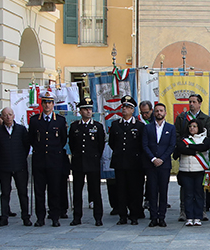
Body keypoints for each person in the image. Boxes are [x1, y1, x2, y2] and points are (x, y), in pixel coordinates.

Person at [29, 95, 68, 227]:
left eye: (50, 103)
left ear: (53, 105)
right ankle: (40, 217)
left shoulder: (60, 121)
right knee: (39, 191)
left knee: (55, 190)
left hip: (54, 160)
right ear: (42, 104)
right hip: (39, 160)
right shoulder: (34, 120)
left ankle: (55, 216)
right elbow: (32, 139)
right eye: (45, 102)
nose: (47, 105)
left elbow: (62, 140)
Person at [68, 98, 106, 226]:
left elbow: (100, 145)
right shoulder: (74, 126)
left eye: (90, 109)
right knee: (77, 191)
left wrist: (95, 157)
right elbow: (72, 144)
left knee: (95, 191)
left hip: (93, 162)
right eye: (85, 109)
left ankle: (98, 217)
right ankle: (77, 217)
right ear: (80, 111)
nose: (88, 111)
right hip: (78, 162)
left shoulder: (97, 126)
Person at [175, 93, 210, 222]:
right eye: (190, 101)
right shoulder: (182, 117)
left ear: (200, 103)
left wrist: (195, 148)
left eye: (194, 102)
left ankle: (201, 210)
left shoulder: (205, 118)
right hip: (186, 159)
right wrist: (185, 147)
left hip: (200, 160)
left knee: (200, 188)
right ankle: (184, 211)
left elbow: (208, 138)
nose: (191, 104)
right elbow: (178, 135)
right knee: (186, 188)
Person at [0, 107, 32, 226]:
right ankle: (4, 217)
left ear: (14, 116)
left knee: (23, 192)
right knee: (5, 193)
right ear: (2, 117)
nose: (8, 117)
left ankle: (26, 217)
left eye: (10, 114)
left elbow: (26, 146)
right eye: (5, 115)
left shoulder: (21, 130)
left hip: (20, 166)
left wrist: (20, 158)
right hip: (4, 166)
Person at [109, 97, 145, 226]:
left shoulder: (139, 126)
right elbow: (112, 143)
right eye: (123, 107)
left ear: (132, 110)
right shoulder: (115, 124)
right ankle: (122, 215)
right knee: (121, 190)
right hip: (120, 162)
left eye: (127, 107)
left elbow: (142, 145)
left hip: (134, 163)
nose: (124, 109)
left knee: (134, 190)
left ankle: (134, 215)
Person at [143, 101, 176, 227]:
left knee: (163, 191)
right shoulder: (148, 127)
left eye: (161, 111)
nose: (159, 113)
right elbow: (145, 145)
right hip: (151, 164)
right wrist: (153, 159)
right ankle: (153, 217)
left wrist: (161, 159)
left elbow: (172, 145)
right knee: (152, 191)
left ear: (165, 113)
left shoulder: (170, 128)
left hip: (164, 164)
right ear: (153, 112)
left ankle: (162, 217)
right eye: (157, 111)